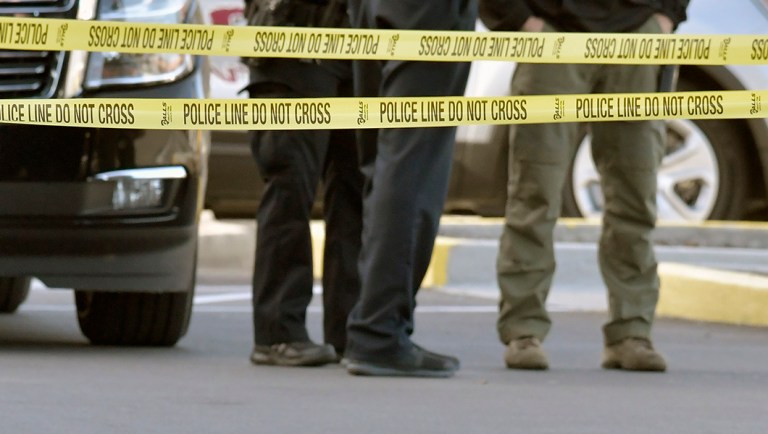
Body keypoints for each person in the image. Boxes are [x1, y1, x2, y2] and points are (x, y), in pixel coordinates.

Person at [479, 0, 689, 372]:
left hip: (635, 37)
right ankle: (523, 329)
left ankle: (631, 331)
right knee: (535, 193)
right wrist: (518, 19)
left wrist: (667, 16)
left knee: (635, 193)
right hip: (554, 34)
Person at [342, 0, 477, 378]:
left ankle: (371, 325)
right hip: (426, 14)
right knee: (411, 166)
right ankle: (378, 331)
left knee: (385, 161)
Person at [244, 0, 364, 366]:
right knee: (290, 186)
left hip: (355, 42)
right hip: (292, 39)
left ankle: (349, 331)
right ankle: (278, 333)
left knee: (355, 190)